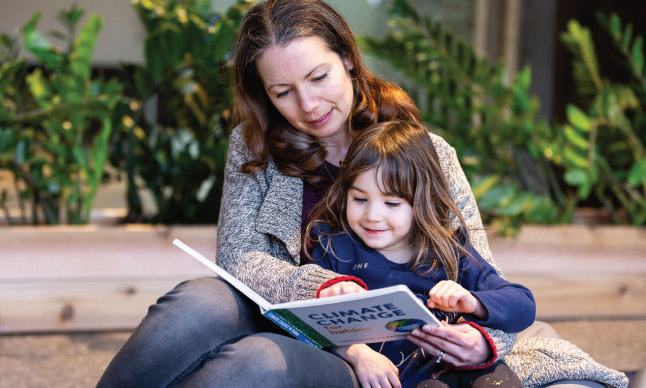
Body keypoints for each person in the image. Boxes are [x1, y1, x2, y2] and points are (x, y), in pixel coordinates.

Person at [96, 1, 628, 387]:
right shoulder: (252, 142)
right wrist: (320, 286)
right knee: (195, 300)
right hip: (280, 307)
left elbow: (479, 275)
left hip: (359, 348)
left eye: (319, 76)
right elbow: (238, 262)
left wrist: (482, 342)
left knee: (254, 362)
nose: (307, 104)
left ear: (348, 58)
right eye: (282, 92)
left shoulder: (426, 152)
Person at [306, 120, 535, 388]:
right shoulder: (335, 247)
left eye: (391, 203)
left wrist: (472, 302)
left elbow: (523, 304)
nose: (372, 215)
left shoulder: (448, 249)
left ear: (422, 200)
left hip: (457, 369)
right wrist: (355, 351)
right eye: (359, 199)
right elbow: (305, 327)